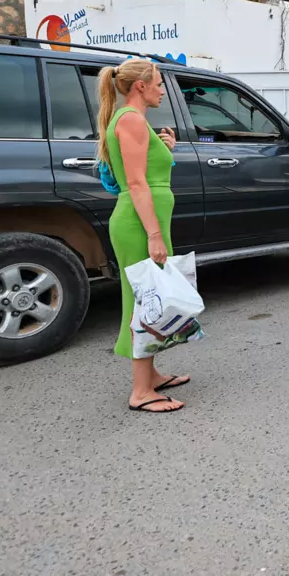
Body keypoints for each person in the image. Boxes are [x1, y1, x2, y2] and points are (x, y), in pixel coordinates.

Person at [97, 59, 191, 414]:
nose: (162, 90)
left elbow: (147, 173)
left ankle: (150, 376)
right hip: (139, 224)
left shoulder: (133, 120)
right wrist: (154, 234)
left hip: (143, 221)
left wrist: (166, 149)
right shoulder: (132, 120)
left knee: (150, 296)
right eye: (158, 83)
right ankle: (141, 392)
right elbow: (136, 183)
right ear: (140, 86)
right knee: (143, 301)